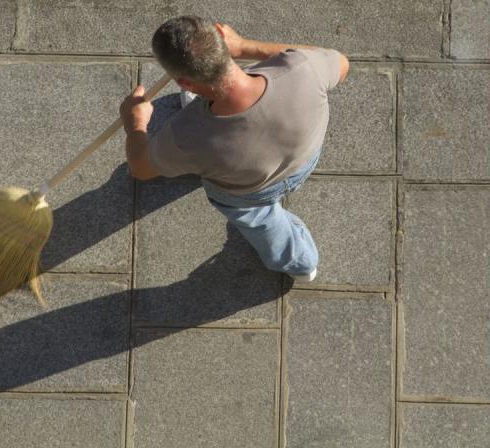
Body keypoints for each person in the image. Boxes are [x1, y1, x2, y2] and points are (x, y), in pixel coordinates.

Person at [118, 15, 349, 282]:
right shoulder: (302, 68)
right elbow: (341, 64)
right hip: (305, 157)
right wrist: (245, 46)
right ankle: (302, 266)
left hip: (249, 192)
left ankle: (299, 260)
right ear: (220, 33)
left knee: (260, 219)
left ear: (184, 83)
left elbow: (140, 168)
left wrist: (135, 125)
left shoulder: (186, 135)